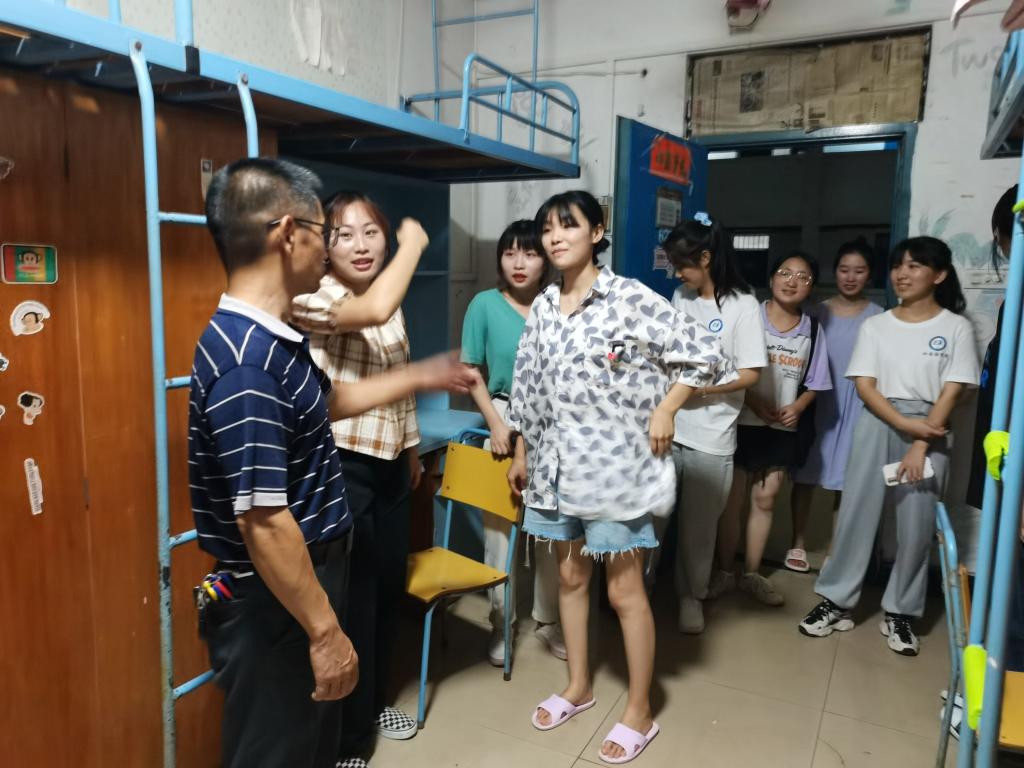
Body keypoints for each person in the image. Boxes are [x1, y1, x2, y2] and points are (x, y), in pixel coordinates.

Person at [189, 158, 475, 768]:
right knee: (278, 749)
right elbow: (264, 523)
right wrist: (325, 632)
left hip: (304, 581)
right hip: (276, 599)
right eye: (326, 232)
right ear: (288, 234)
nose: (332, 248)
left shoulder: (274, 340)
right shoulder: (247, 364)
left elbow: (330, 400)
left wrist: (421, 375)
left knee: (307, 740)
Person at [507, 190, 733, 764]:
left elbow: (706, 354)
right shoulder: (544, 307)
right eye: (548, 228)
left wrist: (667, 408)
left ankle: (639, 710)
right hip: (555, 469)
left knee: (624, 590)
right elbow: (528, 390)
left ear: (597, 231)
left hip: (615, 473)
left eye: (569, 226)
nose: (556, 237)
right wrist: (521, 453)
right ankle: (579, 686)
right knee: (571, 578)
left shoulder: (629, 297)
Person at [290, 191, 433, 763]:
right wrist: (414, 241)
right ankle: (346, 739)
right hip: (343, 466)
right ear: (325, 247)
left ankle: (372, 704)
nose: (360, 245)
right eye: (344, 234)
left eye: (371, 231)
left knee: (383, 591)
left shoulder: (387, 296)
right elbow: (370, 313)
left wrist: (412, 451)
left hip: (391, 464)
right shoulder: (313, 296)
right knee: (347, 603)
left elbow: (400, 377)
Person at [799, 236, 979, 656]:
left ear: (939, 275)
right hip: (879, 420)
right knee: (856, 512)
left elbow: (954, 389)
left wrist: (920, 440)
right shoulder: (877, 325)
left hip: (931, 426)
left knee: (916, 523)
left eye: (915, 265)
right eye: (898, 265)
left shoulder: (955, 327)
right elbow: (865, 385)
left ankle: (901, 611)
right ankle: (837, 600)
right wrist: (901, 423)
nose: (902, 273)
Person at [650, 212, 766, 634]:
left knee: (699, 528)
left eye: (681, 264)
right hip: (669, 427)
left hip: (712, 434)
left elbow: (751, 373)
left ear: (705, 258)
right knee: (653, 516)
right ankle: (640, 588)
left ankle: (692, 596)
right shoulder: (681, 297)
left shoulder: (743, 305)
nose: (677, 273)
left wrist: (705, 390)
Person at [461, 219, 563, 665]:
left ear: (546, 260)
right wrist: (496, 424)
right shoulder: (484, 304)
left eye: (530, 253)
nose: (519, 263)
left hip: (553, 423)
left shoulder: (559, 303)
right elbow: (471, 371)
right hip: (500, 417)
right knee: (499, 535)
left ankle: (549, 621)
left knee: (551, 531)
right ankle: (501, 623)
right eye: (510, 253)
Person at [714, 251, 831, 608]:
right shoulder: (750, 316)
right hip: (740, 421)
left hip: (781, 428)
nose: (792, 281)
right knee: (732, 502)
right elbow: (727, 367)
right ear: (771, 278)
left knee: (765, 500)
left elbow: (815, 382)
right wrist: (751, 400)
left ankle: (752, 574)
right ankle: (724, 571)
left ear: (811, 287)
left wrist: (798, 407)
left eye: (803, 277)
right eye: (785, 272)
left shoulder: (813, 329)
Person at [789, 239, 883, 572]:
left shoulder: (878, 318)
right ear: (835, 272)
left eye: (859, 271)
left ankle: (834, 551)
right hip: (817, 403)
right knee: (805, 475)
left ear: (869, 275)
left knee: (847, 481)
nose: (850, 277)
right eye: (844, 270)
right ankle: (797, 543)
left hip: (857, 404)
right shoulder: (816, 312)